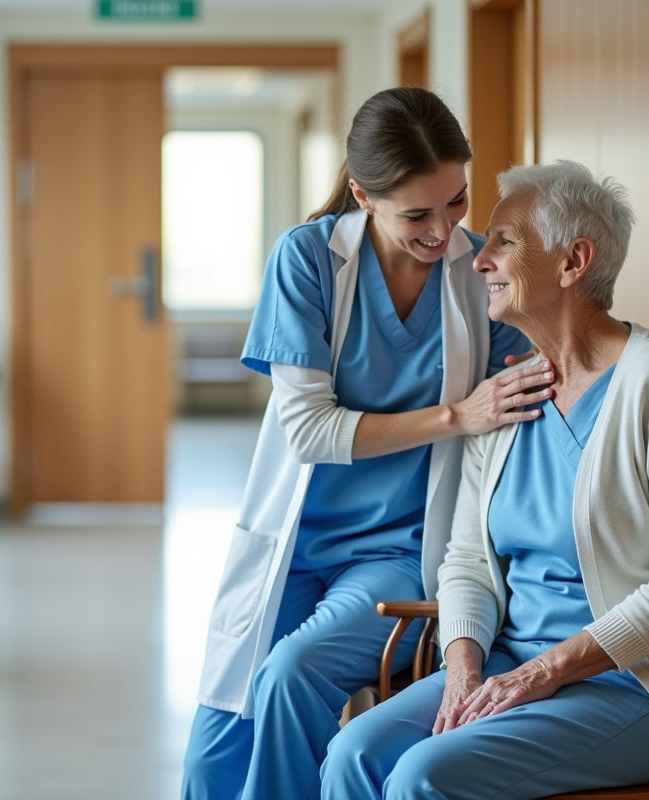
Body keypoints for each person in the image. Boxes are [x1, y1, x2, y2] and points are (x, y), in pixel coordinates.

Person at [319, 160, 649, 800]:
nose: (476, 260)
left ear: (573, 262)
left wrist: (546, 671)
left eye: (504, 242)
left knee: (422, 776)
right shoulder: (512, 391)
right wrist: (462, 666)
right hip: (509, 663)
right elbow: (466, 559)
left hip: (641, 683)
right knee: (352, 752)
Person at [182, 87, 555, 800]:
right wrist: (457, 416)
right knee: (214, 757)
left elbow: (552, 358)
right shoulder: (309, 261)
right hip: (292, 546)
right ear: (362, 195)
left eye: (457, 202)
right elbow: (310, 430)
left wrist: (640, 359)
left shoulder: (480, 275)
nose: (444, 231)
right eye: (417, 213)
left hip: (398, 552)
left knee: (291, 674)